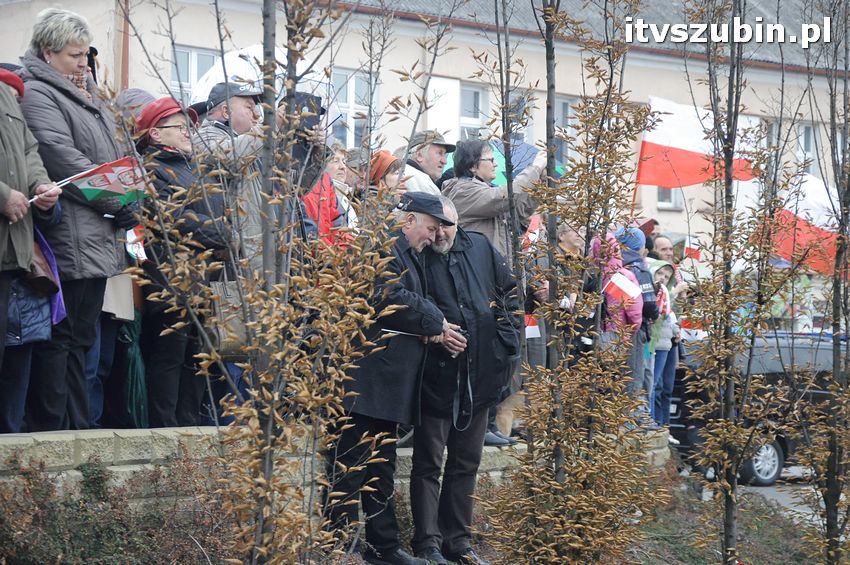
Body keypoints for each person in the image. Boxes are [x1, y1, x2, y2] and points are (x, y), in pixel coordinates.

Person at [325, 192, 465, 565]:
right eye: (430, 228)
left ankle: (383, 548)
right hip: (364, 384)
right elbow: (387, 296)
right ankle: (340, 550)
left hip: (385, 388)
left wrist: (429, 324)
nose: (433, 237)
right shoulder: (382, 246)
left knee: (380, 469)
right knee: (349, 471)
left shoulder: (407, 252)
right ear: (408, 221)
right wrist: (435, 321)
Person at [20, 8, 134, 431]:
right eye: (74, 55)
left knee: (84, 337)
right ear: (48, 53)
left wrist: (129, 194)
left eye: (85, 55)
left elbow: (114, 156)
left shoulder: (86, 95)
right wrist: (120, 200)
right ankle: (57, 429)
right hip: (69, 231)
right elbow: (64, 158)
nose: (84, 63)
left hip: (98, 230)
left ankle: (80, 426)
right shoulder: (38, 93)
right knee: (62, 338)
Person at [411, 198, 518, 565]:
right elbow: (408, 304)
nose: (441, 233)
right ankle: (426, 543)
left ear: (458, 223)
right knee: (428, 463)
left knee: (466, 462)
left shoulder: (480, 247)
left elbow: (509, 294)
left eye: (448, 226)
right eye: (435, 225)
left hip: (482, 372)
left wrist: (505, 342)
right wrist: (434, 332)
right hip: (435, 374)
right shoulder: (420, 252)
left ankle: (458, 543)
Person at [136, 97, 230, 427]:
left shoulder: (195, 170)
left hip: (206, 281)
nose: (188, 131)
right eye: (179, 126)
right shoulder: (150, 169)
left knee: (199, 361)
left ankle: (188, 434)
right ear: (155, 135)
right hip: (171, 280)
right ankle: (165, 432)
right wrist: (224, 235)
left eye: (189, 125)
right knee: (169, 358)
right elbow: (174, 220)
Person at [443, 139, 545, 440]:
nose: (496, 165)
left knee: (504, 355)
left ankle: (485, 421)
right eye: (490, 159)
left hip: (498, 286)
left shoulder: (483, 192)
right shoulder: (461, 190)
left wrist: (538, 183)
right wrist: (533, 168)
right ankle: (479, 424)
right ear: (473, 165)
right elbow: (504, 198)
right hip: (478, 283)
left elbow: (518, 210)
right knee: (485, 355)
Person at [0, 66, 62, 432]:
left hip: (14, 255)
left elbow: (29, 151)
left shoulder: (11, 96)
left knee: (14, 359)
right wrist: (4, 196)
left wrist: (42, 185)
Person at [193, 81, 276, 274]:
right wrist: (272, 126)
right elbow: (230, 158)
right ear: (225, 112)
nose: (257, 115)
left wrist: (311, 146)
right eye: (249, 107)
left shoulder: (252, 143)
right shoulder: (203, 137)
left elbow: (298, 185)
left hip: (261, 257)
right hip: (235, 263)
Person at [616, 226, 658, 421]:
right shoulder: (638, 268)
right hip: (635, 328)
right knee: (633, 374)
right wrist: (654, 313)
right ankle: (629, 420)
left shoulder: (610, 264)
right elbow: (647, 304)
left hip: (612, 328)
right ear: (639, 246)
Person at [592, 233, 644, 390]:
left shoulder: (591, 274)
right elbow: (634, 311)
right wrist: (632, 328)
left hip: (593, 333)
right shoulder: (620, 276)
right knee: (615, 382)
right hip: (616, 334)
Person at [649, 259, 680, 445]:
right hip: (654, 342)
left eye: (666, 277)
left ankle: (660, 424)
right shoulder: (655, 292)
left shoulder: (665, 294)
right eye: (660, 273)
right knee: (652, 384)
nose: (662, 278)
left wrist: (676, 331)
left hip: (664, 344)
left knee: (659, 384)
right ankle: (651, 420)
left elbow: (669, 316)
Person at [403, 130, 455, 196]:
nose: (444, 161)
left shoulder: (399, 174)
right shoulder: (422, 183)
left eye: (444, 154)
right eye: (439, 153)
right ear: (419, 155)